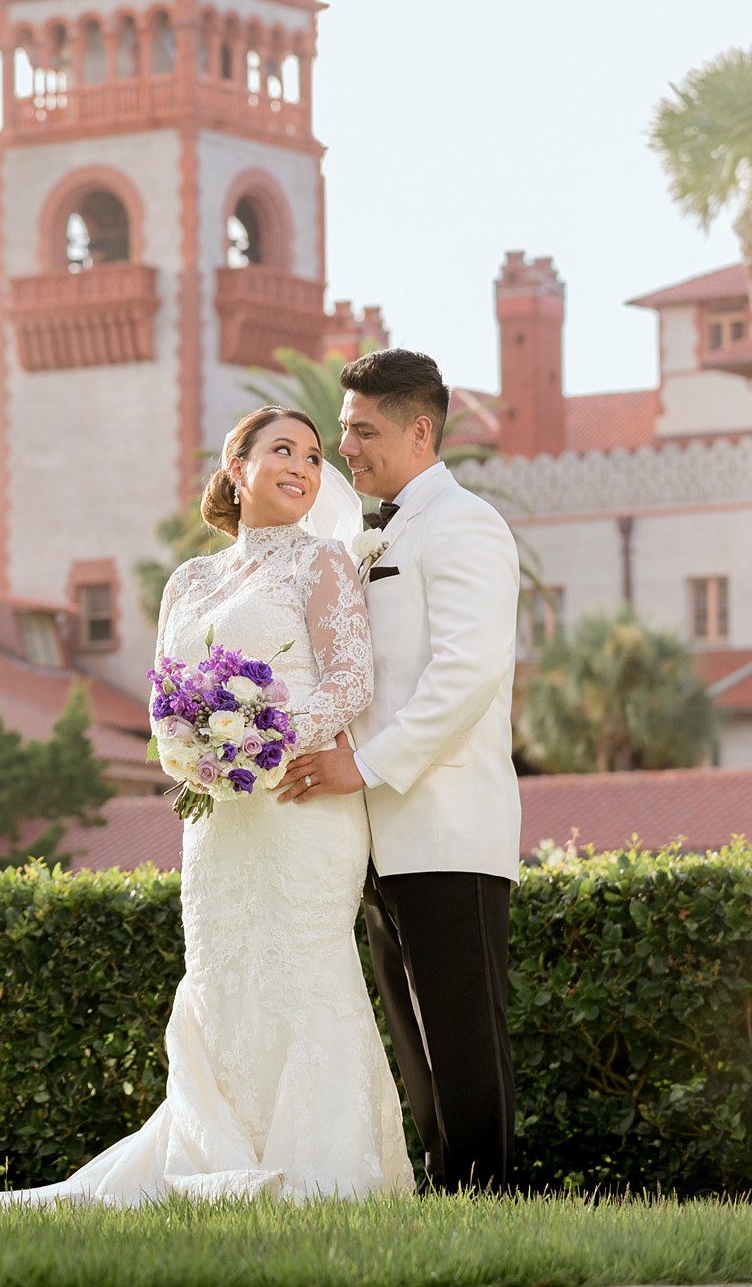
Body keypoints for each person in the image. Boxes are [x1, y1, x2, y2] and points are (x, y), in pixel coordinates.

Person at [0, 406, 413, 1212]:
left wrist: (263, 745)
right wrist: (197, 757)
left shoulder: (324, 564)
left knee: (304, 971)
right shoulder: (190, 582)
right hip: (219, 826)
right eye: (280, 450)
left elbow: (349, 681)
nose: (301, 465)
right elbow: (166, 702)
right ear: (238, 467)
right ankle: (219, 1152)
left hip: (299, 806)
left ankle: (321, 1162)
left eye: (310, 454)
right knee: (225, 978)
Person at [280, 348, 522, 1190]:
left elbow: (467, 671)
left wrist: (367, 766)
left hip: (447, 824)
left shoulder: (465, 523)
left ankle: (489, 1198)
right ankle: (448, 1191)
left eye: (361, 429)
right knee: (415, 1035)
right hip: (380, 835)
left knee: (462, 1031)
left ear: (421, 430)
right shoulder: (372, 530)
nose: (345, 446)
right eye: (344, 429)